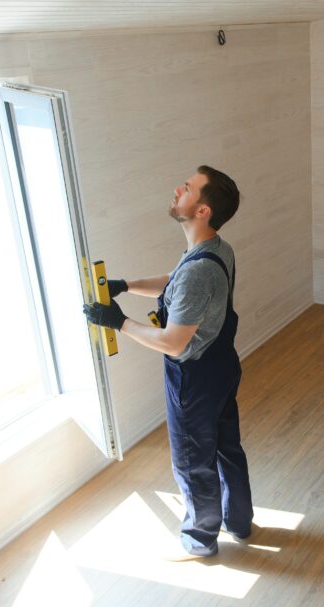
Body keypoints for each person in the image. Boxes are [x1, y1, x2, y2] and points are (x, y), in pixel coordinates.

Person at [84, 166, 253, 558]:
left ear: (203, 211)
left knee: (193, 462)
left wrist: (120, 322)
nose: (178, 189)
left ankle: (200, 538)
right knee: (228, 447)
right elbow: (174, 280)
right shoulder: (215, 249)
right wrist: (125, 285)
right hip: (223, 366)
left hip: (194, 380)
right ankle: (239, 522)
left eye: (189, 188)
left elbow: (174, 343)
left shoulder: (199, 270)